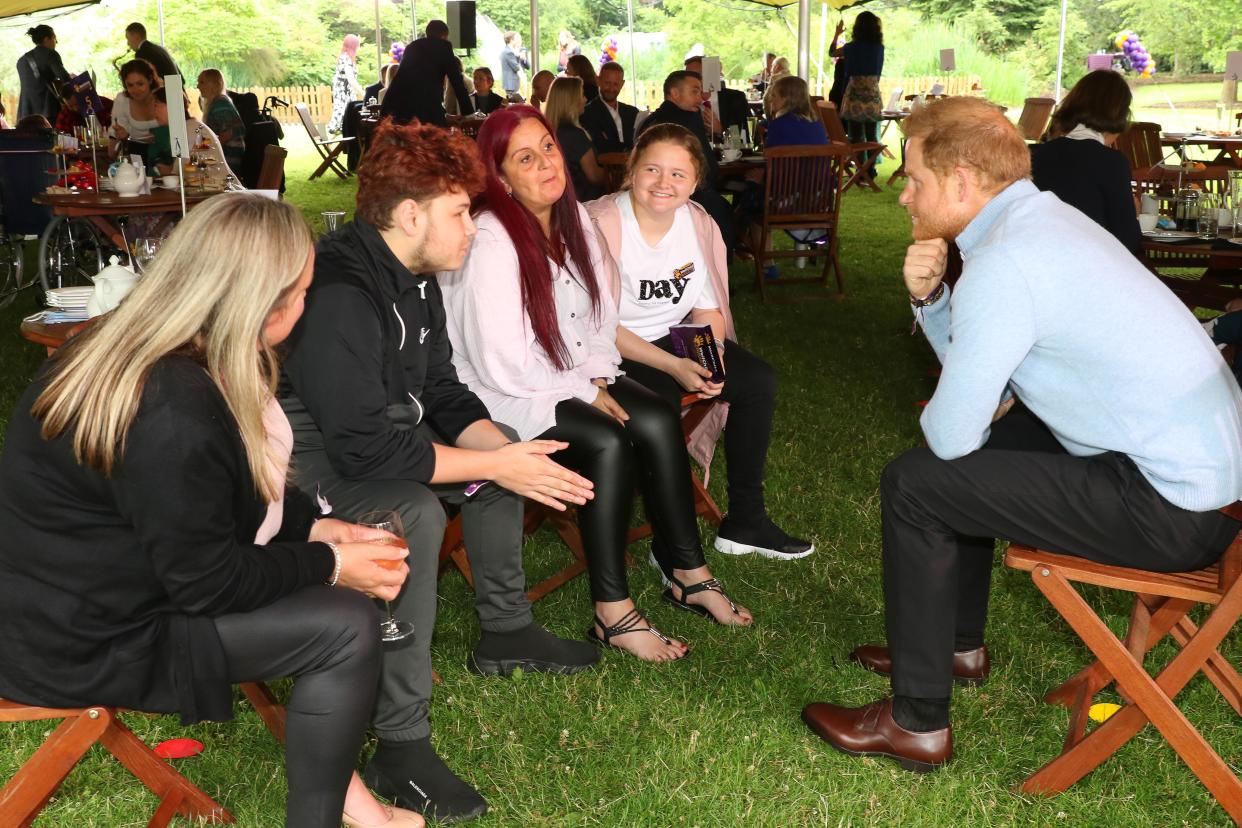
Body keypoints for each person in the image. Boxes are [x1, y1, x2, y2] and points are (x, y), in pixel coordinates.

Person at [800, 96, 1242, 774]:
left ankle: (917, 722)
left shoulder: (1008, 261)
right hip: (1206, 484)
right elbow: (990, 391)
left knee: (917, 483)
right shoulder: (1044, 222)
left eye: (913, 179)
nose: (903, 198)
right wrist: (934, 301)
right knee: (984, 451)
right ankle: (954, 645)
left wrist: (952, 363)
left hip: (1173, 509)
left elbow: (952, 435)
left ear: (962, 182)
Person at [0, 193, 432, 828]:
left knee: (333, 603)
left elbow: (205, 506)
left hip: (60, 601)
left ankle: (351, 800)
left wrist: (312, 525)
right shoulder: (172, 408)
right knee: (344, 626)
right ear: (262, 307)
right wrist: (330, 563)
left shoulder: (141, 346)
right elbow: (208, 582)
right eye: (305, 292)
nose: (309, 304)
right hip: (82, 640)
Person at [279, 120, 600, 823]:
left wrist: (509, 456)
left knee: (506, 448)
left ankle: (506, 628)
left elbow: (446, 392)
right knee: (413, 512)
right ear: (410, 214)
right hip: (307, 459)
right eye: (460, 212)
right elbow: (363, 451)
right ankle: (398, 742)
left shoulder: (417, 273)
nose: (473, 227)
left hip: (374, 435)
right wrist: (496, 464)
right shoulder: (341, 293)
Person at [440, 105, 754, 664]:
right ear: (500, 174)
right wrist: (588, 392)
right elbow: (500, 361)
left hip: (567, 372)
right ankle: (613, 611)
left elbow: (599, 316)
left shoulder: (573, 220)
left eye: (549, 148)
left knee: (656, 416)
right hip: (500, 391)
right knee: (607, 440)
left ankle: (689, 570)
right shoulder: (490, 239)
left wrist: (601, 374)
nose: (545, 165)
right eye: (525, 157)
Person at [586, 123, 814, 559]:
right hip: (613, 350)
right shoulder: (600, 225)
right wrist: (674, 367)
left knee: (757, 380)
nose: (663, 183)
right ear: (631, 170)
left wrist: (707, 356)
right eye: (652, 169)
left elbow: (708, 308)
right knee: (659, 408)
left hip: (675, 337)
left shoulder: (698, 222)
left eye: (678, 174)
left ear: (695, 182)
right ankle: (670, 542)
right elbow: (597, 325)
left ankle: (746, 521)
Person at [1031, 69, 1142, 256]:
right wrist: (1134, 214)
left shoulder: (1036, 155)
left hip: (1038, 259)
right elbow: (1127, 241)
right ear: (1119, 115)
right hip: (1089, 267)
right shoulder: (1112, 163)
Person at [640, 70, 735, 250]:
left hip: (652, 199)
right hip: (689, 199)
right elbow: (707, 167)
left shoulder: (652, 120)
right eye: (695, 92)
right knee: (722, 209)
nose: (700, 98)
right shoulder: (686, 120)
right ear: (675, 94)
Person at [383, 20, 473, 126]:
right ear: (444, 36)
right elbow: (456, 80)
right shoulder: (443, 47)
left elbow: (406, 79)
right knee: (436, 137)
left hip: (397, 107)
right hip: (425, 110)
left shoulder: (412, 46)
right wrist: (468, 112)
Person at [831, 12, 883, 177]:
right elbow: (878, 73)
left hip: (854, 93)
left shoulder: (850, 48)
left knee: (856, 136)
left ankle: (861, 169)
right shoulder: (879, 48)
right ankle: (870, 169)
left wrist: (838, 33)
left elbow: (832, 52)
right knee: (871, 135)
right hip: (872, 92)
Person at [149, 87, 231, 178]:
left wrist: (167, 171)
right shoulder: (188, 127)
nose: (153, 111)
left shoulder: (190, 130)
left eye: (156, 105)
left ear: (173, 105)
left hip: (219, 189)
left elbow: (185, 173)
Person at [545, 76, 605, 201]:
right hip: (584, 201)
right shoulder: (575, 135)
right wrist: (611, 174)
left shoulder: (548, 132)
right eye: (582, 95)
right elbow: (594, 176)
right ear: (571, 101)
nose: (585, 99)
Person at [683, 55, 749, 140]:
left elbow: (746, 136)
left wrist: (721, 130)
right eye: (688, 76)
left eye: (697, 74)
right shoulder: (685, 103)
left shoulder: (735, 98)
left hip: (732, 152)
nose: (692, 80)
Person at [580, 61, 638, 154]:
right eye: (607, 83)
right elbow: (599, 147)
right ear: (598, 80)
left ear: (622, 84)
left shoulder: (632, 113)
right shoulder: (588, 113)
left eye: (615, 84)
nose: (611, 88)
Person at [109, 59, 161, 163]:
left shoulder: (163, 97)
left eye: (140, 84)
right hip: (137, 156)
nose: (136, 90)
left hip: (165, 155)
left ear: (150, 80)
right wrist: (121, 136)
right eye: (130, 85)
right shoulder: (122, 100)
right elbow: (113, 144)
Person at [16, 25, 70, 123]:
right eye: (54, 38)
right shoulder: (50, 54)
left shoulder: (21, 61)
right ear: (46, 39)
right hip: (48, 112)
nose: (56, 42)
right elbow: (64, 78)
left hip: (25, 113)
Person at [196, 69, 245, 172]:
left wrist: (207, 151)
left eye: (202, 82)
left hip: (228, 159)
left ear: (213, 84)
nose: (198, 86)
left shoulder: (220, 104)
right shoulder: (218, 102)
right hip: (227, 157)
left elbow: (228, 134)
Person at [764, 75, 829, 147]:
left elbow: (770, 155)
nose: (770, 99)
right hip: (817, 158)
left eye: (773, 95)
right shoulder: (817, 125)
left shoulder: (777, 125)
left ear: (785, 99)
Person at [329, 34, 363, 134]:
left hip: (345, 92)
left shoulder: (345, 57)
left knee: (347, 117)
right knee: (344, 117)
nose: (359, 48)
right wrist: (362, 92)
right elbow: (351, 79)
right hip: (344, 94)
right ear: (353, 46)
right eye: (357, 45)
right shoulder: (346, 58)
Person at [500, 31, 529, 102]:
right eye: (516, 39)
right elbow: (516, 67)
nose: (518, 41)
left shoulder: (505, 50)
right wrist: (519, 56)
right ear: (511, 40)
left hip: (510, 83)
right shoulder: (509, 52)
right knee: (516, 104)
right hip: (511, 84)